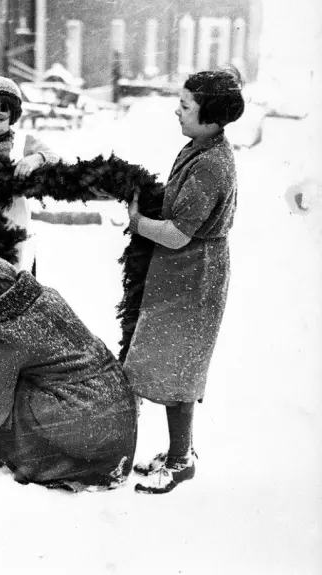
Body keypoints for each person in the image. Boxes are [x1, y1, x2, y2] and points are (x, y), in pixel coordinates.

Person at [124, 69, 245, 494]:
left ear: (210, 115)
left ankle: (180, 461)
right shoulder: (199, 147)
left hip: (194, 272)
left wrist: (138, 223)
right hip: (181, 270)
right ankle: (182, 452)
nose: (177, 109)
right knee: (173, 363)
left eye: (186, 104)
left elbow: (178, 232)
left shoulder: (212, 165)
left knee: (178, 367)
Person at [0, 254, 138, 489]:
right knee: (4, 377)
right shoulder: (47, 296)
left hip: (85, 424)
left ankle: (43, 461)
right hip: (117, 419)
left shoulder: (8, 334)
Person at [0, 76, 59, 272]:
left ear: (13, 118)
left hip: (12, 236)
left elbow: (57, 159)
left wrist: (37, 158)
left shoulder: (23, 142)